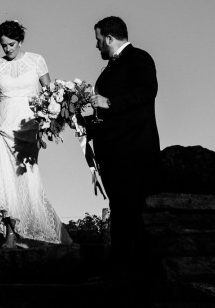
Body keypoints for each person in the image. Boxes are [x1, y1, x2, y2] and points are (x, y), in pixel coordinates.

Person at [84, 16, 161, 277]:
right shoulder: (107, 71)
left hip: (134, 150)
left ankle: (134, 270)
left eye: (98, 40)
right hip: (112, 152)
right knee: (119, 208)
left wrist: (110, 103)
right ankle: (119, 267)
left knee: (133, 210)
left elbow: (147, 91)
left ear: (108, 38)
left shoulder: (138, 58)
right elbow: (103, 110)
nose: (96, 46)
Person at [0, 20, 72, 248]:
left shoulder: (37, 60)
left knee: (27, 177)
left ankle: (37, 230)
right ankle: (10, 235)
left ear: (20, 41)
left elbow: (51, 92)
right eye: (4, 45)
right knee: (5, 180)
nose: (8, 49)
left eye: (12, 44)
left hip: (29, 128)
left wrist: (49, 121)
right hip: (4, 128)